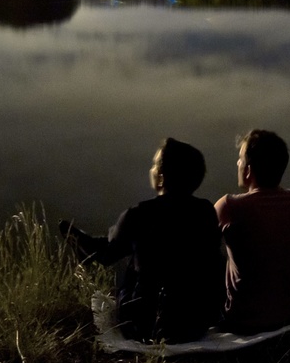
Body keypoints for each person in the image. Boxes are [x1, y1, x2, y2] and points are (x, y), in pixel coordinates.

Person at [59, 138, 224, 342]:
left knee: (131, 257)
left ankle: (92, 247)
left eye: (155, 165)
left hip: (146, 325)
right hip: (195, 322)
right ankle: (98, 244)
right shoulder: (206, 211)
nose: (152, 169)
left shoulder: (139, 214)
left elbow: (109, 258)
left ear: (162, 177)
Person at [214, 129, 290, 334]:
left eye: (240, 160)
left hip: (244, 320)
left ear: (248, 170)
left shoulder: (230, 206)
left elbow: (194, 241)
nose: (237, 165)